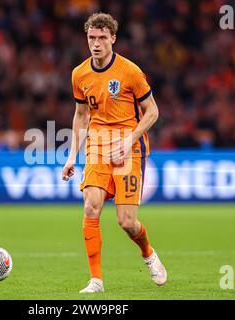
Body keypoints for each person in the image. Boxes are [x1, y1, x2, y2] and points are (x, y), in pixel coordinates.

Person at [61, 12, 167, 293]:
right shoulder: (79, 74)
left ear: (113, 39)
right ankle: (96, 280)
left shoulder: (130, 71)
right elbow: (81, 116)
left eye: (101, 38)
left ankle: (148, 253)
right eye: (91, 38)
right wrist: (72, 156)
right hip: (97, 144)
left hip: (128, 147)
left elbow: (153, 111)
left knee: (126, 222)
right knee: (90, 206)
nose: (96, 44)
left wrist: (130, 139)